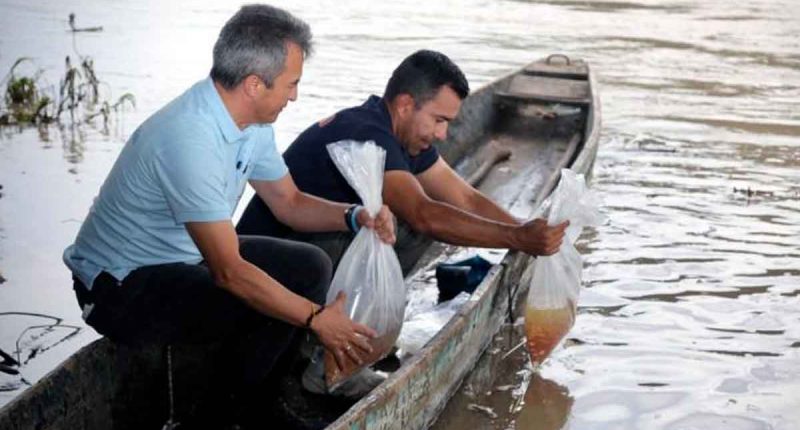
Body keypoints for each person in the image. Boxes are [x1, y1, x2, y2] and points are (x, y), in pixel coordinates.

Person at [62, 4, 395, 425]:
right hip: (119, 287)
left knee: (309, 267)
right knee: (257, 300)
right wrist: (317, 320)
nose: (295, 96)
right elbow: (230, 273)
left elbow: (289, 203)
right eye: (292, 84)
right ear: (255, 84)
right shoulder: (190, 138)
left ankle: (255, 403)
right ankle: (220, 418)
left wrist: (355, 216)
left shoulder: (251, 125)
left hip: (183, 259)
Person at [237, 49, 568, 277]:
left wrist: (522, 231)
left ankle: (360, 326)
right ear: (406, 104)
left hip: (307, 250)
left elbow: (464, 197)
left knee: (428, 216)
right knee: (410, 222)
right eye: (439, 119)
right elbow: (424, 215)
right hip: (267, 260)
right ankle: (316, 357)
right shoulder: (367, 133)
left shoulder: (404, 135)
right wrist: (516, 239)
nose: (442, 133)